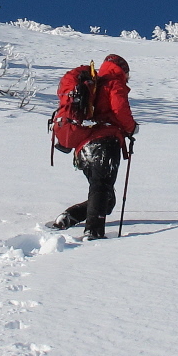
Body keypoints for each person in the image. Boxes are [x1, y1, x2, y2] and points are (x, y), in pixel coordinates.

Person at [47, 53, 137, 240]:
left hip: (83, 146)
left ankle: (70, 216)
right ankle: (93, 232)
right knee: (101, 188)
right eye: (128, 74)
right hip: (105, 142)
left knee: (106, 197)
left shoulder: (94, 81)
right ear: (122, 70)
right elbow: (119, 109)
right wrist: (132, 127)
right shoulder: (114, 82)